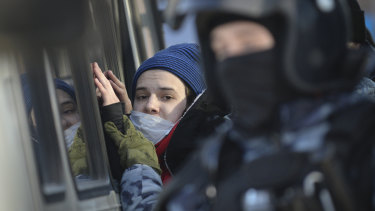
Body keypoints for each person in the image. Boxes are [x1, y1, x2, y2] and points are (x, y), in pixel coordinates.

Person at [156, 0, 375, 210]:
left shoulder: (362, 138)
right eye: (221, 51)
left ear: (303, 42)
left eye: (248, 44)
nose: (233, 62)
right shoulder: (220, 155)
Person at [70, 43, 227, 210]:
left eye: (166, 97)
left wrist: (136, 153)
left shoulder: (211, 166)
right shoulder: (131, 149)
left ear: (190, 106)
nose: (150, 105)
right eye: (142, 96)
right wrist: (121, 123)